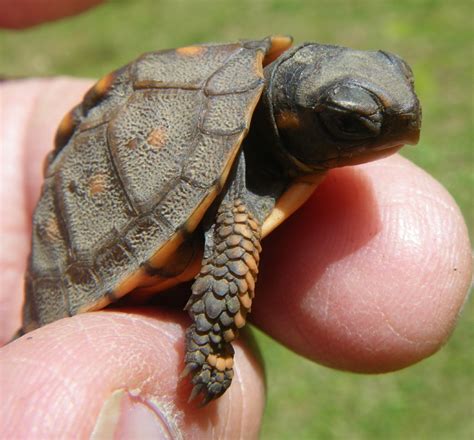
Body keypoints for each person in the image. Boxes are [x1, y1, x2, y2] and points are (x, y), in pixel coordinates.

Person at [0, 1, 472, 437]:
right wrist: (212, 346)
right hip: (78, 260)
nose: (406, 118)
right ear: (288, 121)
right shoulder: (238, 192)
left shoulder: (259, 87)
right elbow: (233, 242)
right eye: (348, 121)